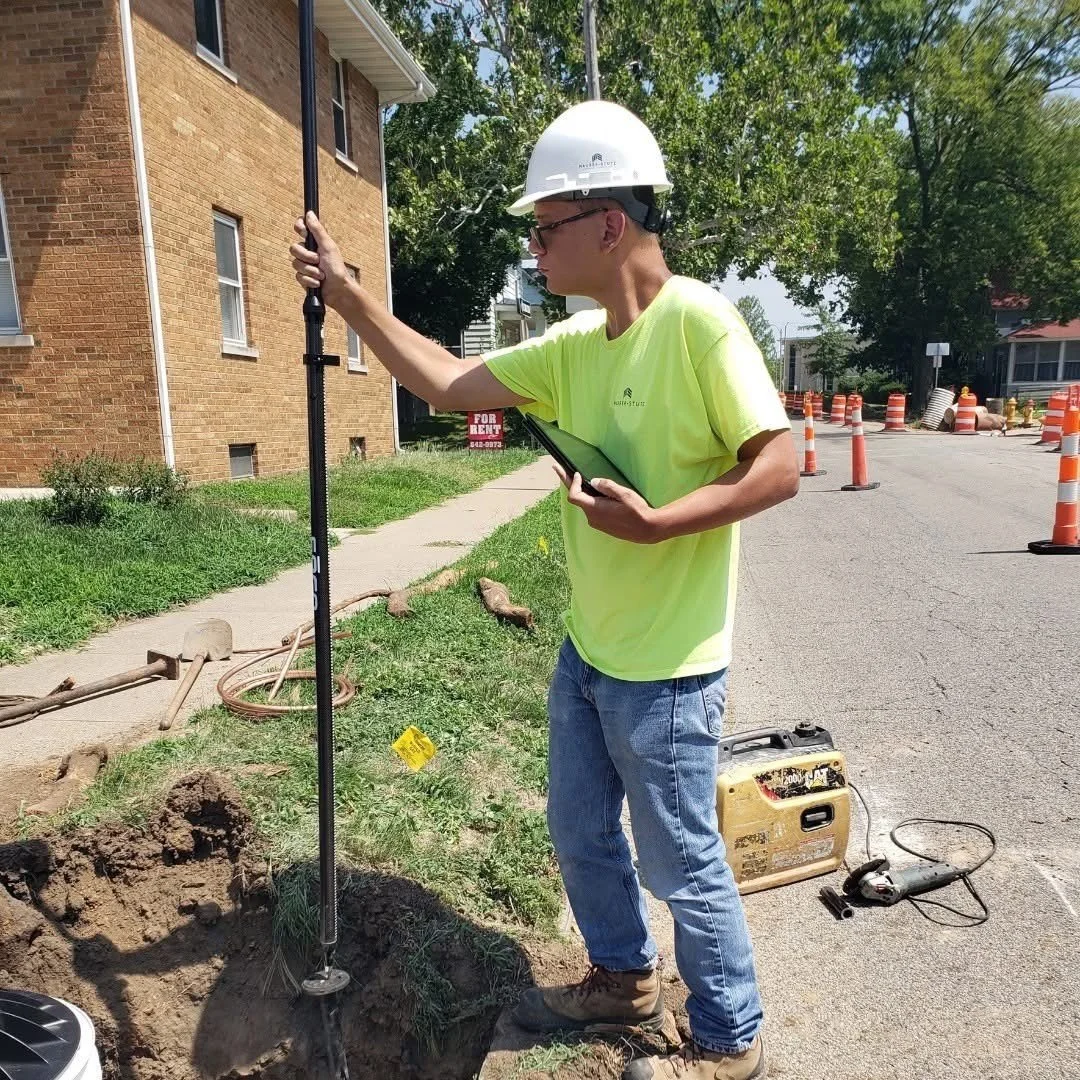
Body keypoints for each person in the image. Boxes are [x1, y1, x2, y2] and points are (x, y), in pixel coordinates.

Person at [290, 99, 797, 1080]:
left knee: (682, 865)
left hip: (672, 671)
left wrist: (657, 522)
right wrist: (350, 299)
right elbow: (445, 382)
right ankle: (621, 977)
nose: (533, 247)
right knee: (576, 830)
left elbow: (779, 466)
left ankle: (730, 1039)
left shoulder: (699, 324)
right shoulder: (573, 347)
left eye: (545, 226)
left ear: (610, 223)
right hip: (590, 651)